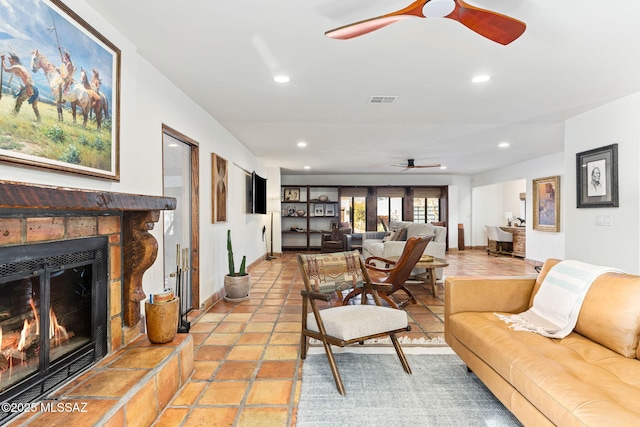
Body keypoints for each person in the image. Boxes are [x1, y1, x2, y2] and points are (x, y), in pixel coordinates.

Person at [1, 52, 40, 120]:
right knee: (34, 106)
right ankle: (39, 119)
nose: (9, 62)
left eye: (10, 60)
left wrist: (3, 60)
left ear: (13, 60)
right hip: (34, 88)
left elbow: (6, 70)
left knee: (19, 100)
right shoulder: (21, 67)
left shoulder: (16, 67)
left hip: (30, 86)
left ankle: (14, 115)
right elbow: (24, 75)